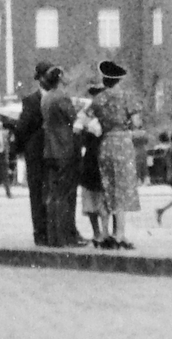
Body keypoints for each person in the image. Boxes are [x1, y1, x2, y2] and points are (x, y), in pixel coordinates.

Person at [90, 60, 140, 249]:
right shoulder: (127, 97)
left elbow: (87, 118)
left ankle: (105, 233)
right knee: (123, 188)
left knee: (107, 187)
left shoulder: (98, 99)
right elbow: (136, 123)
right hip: (122, 144)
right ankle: (119, 234)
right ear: (119, 79)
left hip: (105, 143)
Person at [39, 66, 83, 247]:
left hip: (49, 149)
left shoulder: (46, 98)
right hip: (64, 148)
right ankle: (64, 236)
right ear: (59, 78)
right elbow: (73, 118)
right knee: (65, 194)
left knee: (53, 193)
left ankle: (53, 237)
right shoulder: (62, 97)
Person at [15, 62, 49, 245]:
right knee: (37, 193)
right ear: (41, 79)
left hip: (52, 152)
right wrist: (21, 150)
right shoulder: (30, 101)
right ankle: (40, 232)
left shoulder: (56, 98)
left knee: (51, 193)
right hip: (36, 154)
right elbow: (22, 128)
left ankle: (51, 230)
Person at [74, 88, 107, 246]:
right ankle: (102, 233)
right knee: (100, 200)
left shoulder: (85, 117)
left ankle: (99, 233)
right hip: (96, 160)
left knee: (94, 200)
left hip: (91, 160)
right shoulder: (93, 117)